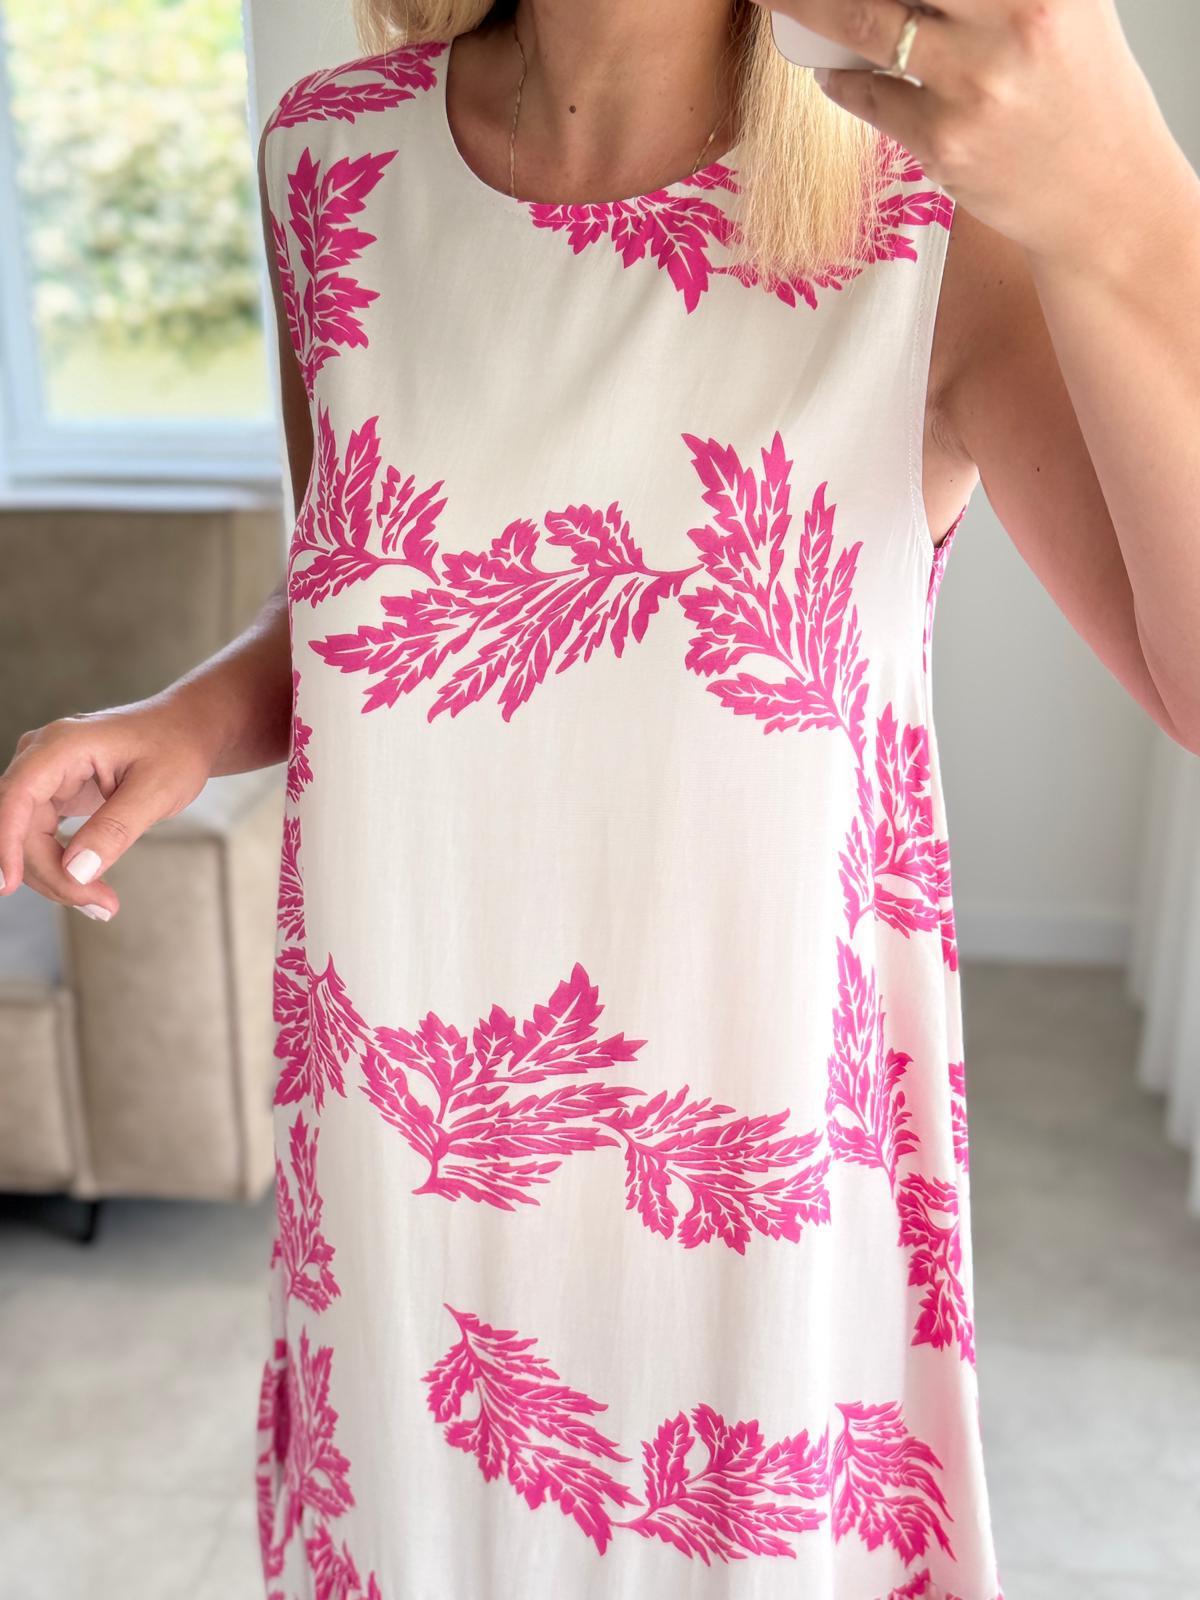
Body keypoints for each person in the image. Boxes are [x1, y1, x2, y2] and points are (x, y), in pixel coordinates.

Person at [2, 1, 1198, 1595]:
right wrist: (190, 720)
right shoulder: (331, 161)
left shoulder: (928, 211)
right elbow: (381, 580)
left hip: (745, 1202)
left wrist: (1129, 198)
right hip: (408, 1174)